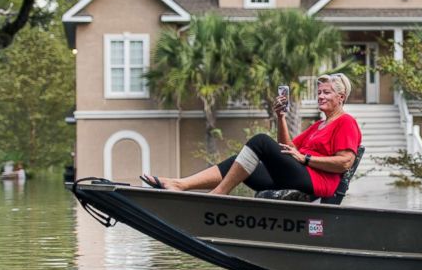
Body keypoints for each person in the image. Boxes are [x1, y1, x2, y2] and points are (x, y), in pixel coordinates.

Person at [140, 74, 361, 199]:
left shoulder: (345, 122)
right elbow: (286, 147)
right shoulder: (318, 126)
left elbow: (344, 162)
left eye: (326, 92)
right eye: (319, 92)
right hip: (298, 174)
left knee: (260, 141)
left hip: (316, 182)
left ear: (340, 97)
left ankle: (219, 194)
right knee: (242, 161)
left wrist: (306, 159)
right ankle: (179, 184)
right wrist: (280, 116)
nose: (320, 96)